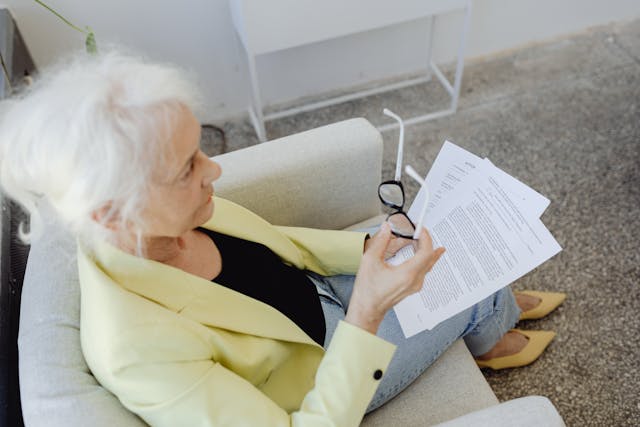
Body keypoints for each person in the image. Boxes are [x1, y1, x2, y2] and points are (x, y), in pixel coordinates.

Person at [0, 51, 564, 426]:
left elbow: (276, 246)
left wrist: (366, 250)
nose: (214, 171)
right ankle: (490, 333)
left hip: (319, 289)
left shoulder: (170, 219)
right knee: (471, 287)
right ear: (113, 212)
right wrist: (366, 312)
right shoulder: (137, 352)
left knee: (446, 238)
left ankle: (494, 308)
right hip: (326, 363)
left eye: (200, 151)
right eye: (187, 168)